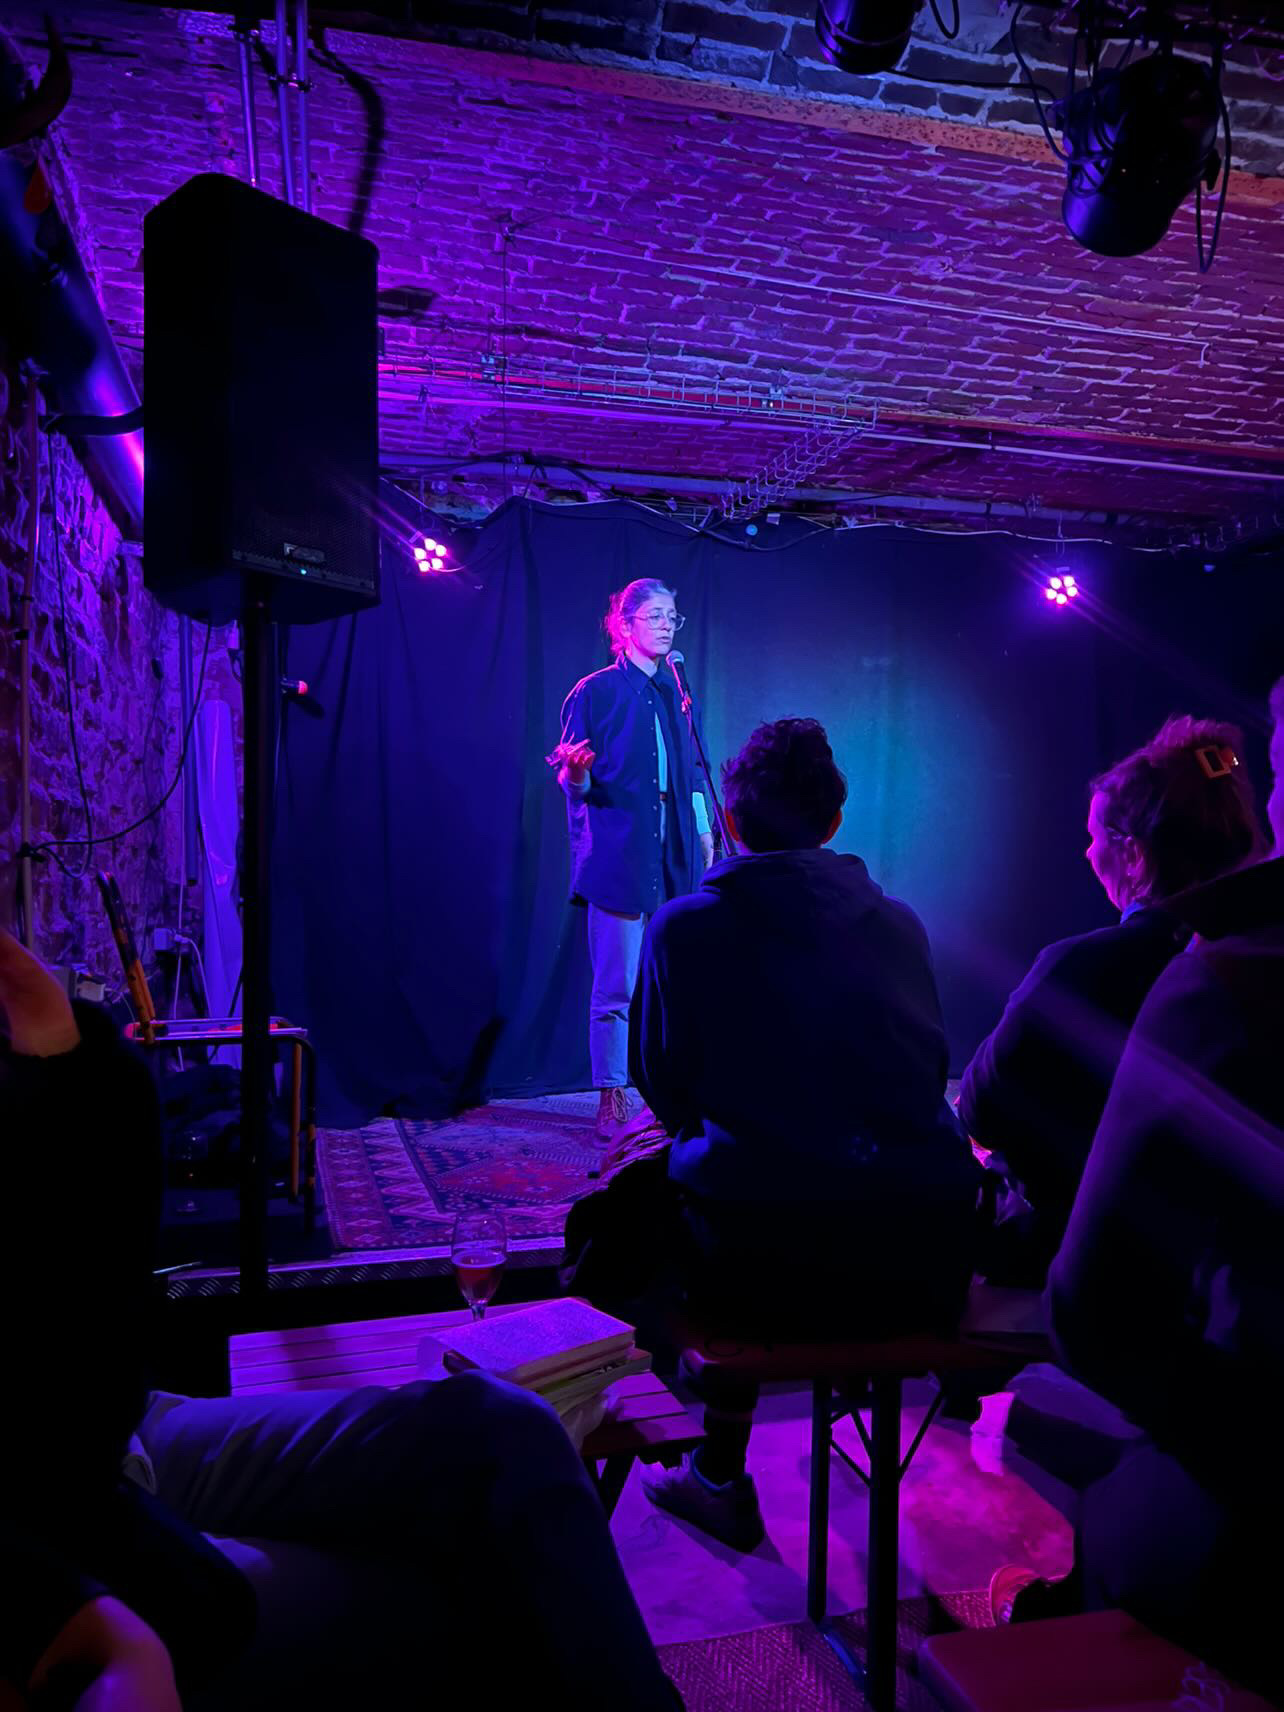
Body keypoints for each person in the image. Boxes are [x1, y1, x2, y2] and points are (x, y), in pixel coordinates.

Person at [0, 923, 684, 1712]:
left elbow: (94, 1337)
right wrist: (78, 1618)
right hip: (58, 1508)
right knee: (469, 1592)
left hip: (118, 1438)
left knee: (507, 1425)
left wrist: (62, 1049)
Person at [996, 677, 1284, 1704]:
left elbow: (1091, 1309)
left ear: (1131, 852)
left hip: (1246, 1484)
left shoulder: (1209, 980)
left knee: (1037, 1420)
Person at [629, 718, 981, 1550]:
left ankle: (717, 1470)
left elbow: (660, 1080)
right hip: (917, 1259)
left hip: (761, 1267)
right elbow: (927, 1072)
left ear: (732, 821)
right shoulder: (901, 925)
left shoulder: (684, 926)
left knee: (683, 1192)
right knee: (779, 1171)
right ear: (834, 820)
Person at [959, 716, 1264, 1284]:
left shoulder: (1080, 967)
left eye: (1096, 836)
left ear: (1134, 855)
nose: (1087, 852)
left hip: (1079, 1269)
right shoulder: (1258, 957)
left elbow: (979, 1109)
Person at [550, 578, 713, 1141]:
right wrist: (576, 773)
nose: (667, 626)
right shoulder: (595, 691)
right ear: (625, 625)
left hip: (674, 847)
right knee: (617, 984)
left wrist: (701, 827)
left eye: (673, 616)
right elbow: (574, 781)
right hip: (619, 851)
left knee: (677, 980)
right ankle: (612, 1095)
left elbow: (693, 769)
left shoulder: (676, 691)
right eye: (655, 616)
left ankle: (672, 1092)